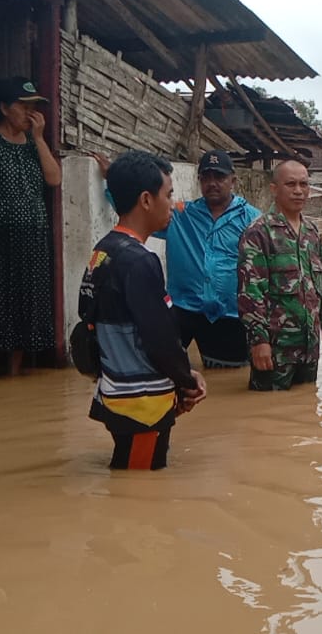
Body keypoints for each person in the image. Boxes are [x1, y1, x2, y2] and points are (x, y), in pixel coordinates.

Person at [79, 150, 207, 470]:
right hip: (142, 404)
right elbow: (160, 335)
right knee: (138, 491)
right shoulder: (139, 261)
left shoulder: (104, 251)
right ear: (147, 200)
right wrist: (187, 380)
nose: (173, 205)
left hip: (117, 392)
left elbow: (87, 324)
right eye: (169, 195)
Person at [0, 76, 61, 381]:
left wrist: (40, 138)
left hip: (33, 236)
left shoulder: (35, 143)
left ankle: (15, 373)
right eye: (23, 106)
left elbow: (54, 179)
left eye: (33, 107)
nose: (29, 112)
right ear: (4, 108)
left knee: (27, 305)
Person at [237, 160, 322, 391]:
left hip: (309, 348)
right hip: (275, 349)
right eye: (290, 184)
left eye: (304, 184)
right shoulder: (258, 232)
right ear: (274, 189)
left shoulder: (312, 232)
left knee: (306, 409)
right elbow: (250, 292)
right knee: (267, 415)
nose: (299, 190)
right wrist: (259, 340)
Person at [156, 150, 262, 367]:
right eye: (206, 177)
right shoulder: (180, 215)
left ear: (233, 180)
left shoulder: (252, 219)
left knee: (227, 378)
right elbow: (138, 213)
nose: (212, 183)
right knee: (160, 367)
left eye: (219, 177)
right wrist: (115, 179)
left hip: (230, 314)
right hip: (184, 309)